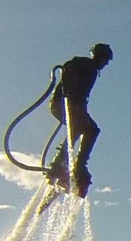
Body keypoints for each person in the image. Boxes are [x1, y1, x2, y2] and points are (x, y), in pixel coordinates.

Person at [47, 43, 113, 198]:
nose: (105, 63)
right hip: (62, 104)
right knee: (88, 128)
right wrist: (69, 93)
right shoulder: (85, 64)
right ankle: (75, 165)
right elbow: (68, 67)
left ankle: (62, 164)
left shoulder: (91, 70)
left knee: (81, 128)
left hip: (71, 107)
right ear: (98, 56)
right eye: (105, 59)